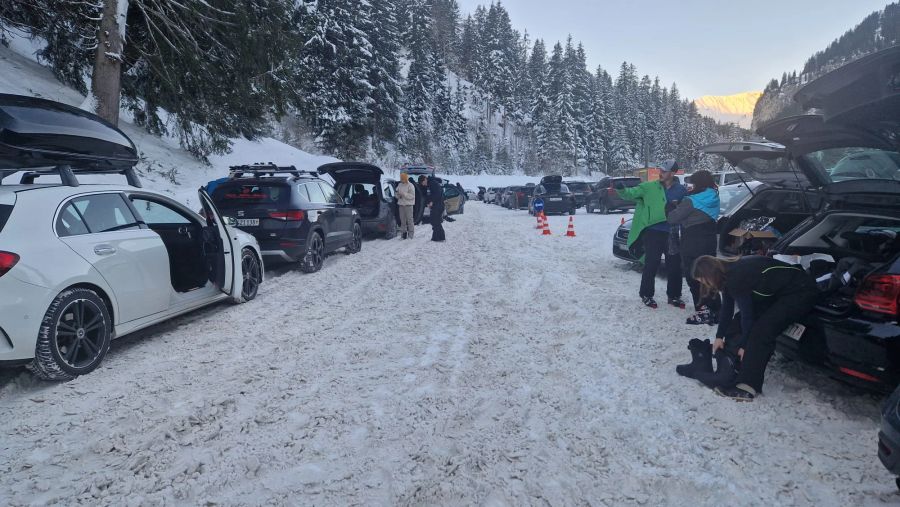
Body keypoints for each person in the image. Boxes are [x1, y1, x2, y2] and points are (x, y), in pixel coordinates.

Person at [692, 255, 819, 401]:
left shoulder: (737, 276)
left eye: (704, 281)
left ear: (710, 274)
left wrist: (745, 345)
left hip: (800, 291)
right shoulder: (727, 275)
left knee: (761, 331)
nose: (706, 285)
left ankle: (747, 387)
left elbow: (748, 317)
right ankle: (731, 369)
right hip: (780, 292)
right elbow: (727, 309)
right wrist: (719, 337)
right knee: (737, 322)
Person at [616, 160, 688, 309]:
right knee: (651, 264)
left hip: (672, 232)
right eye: (660, 170)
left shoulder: (681, 190)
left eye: (664, 171)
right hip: (653, 232)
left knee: (674, 266)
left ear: (673, 173)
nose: (660, 173)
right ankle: (646, 295)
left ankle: (674, 296)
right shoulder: (649, 187)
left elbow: (686, 208)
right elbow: (631, 193)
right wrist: (621, 189)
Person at [667, 170, 721, 325]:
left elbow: (673, 218)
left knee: (693, 276)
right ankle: (715, 309)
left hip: (692, 242)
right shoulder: (714, 196)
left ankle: (703, 310)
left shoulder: (691, 200)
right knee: (709, 276)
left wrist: (671, 207)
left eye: (693, 183)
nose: (691, 186)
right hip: (709, 240)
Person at [396, 172, 416, 239]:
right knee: (403, 221)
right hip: (401, 205)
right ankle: (403, 235)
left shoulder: (411, 185)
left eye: (403, 179)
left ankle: (411, 235)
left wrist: (404, 194)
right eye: (401, 179)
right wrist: (398, 195)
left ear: (406, 178)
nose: (402, 180)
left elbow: (412, 196)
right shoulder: (399, 185)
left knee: (410, 221)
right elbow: (396, 193)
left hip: (409, 206)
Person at [428, 176, 446, 242]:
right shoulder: (434, 183)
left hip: (438, 206)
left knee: (435, 221)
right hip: (439, 205)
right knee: (436, 221)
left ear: (424, 180)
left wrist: (432, 201)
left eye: (422, 183)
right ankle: (437, 237)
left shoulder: (432, 183)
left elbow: (436, 194)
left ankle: (440, 237)